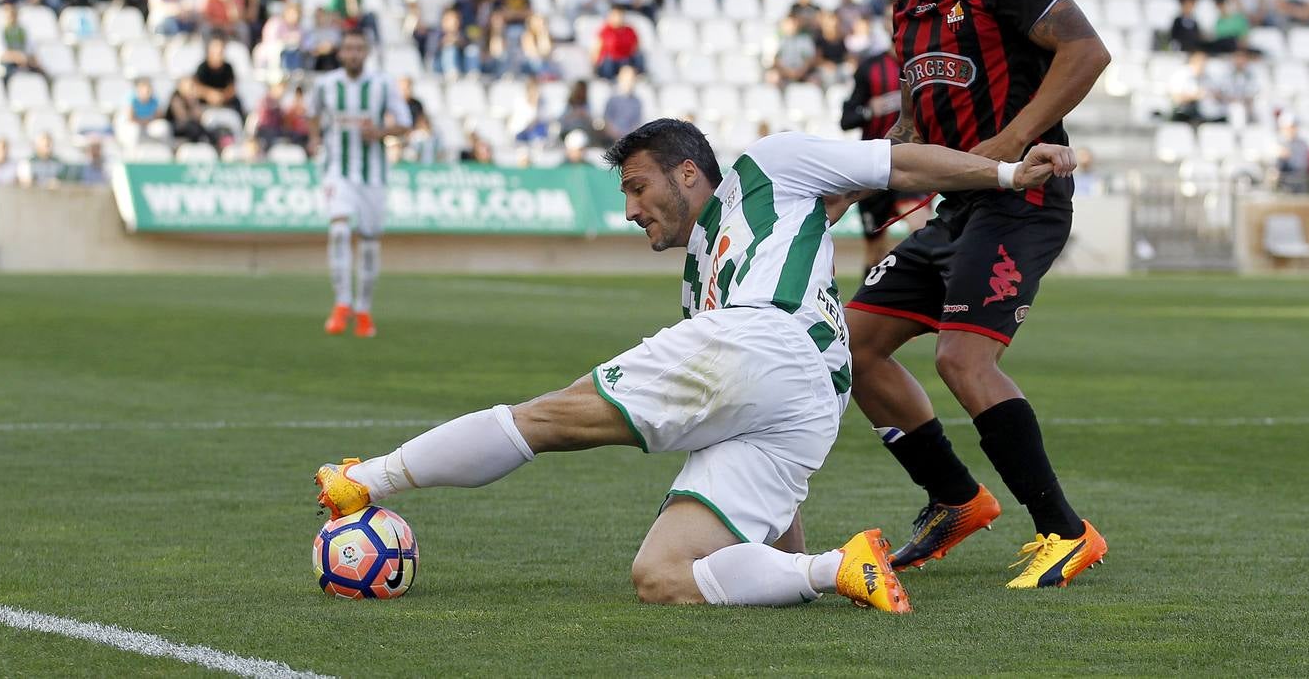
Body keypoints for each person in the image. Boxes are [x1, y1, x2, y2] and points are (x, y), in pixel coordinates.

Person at [316, 118, 1075, 609]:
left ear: (686, 172)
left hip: (766, 340)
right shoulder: (704, 274)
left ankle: (365, 477)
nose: (629, 209)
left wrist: (1007, 175)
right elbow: (743, 400)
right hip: (807, 396)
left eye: (636, 186)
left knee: (550, 416)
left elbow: (893, 162)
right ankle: (837, 569)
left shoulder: (771, 165)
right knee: (663, 577)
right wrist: (786, 549)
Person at [842, 0, 1111, 588]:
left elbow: (1087, 51)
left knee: (962, 359)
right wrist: (846, 181)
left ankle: (1065, 531)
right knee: (852, 346)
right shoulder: (908, 9)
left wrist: (1012, 138)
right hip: (958, 208)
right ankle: (956, 500)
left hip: (1020, 201)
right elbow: (911, 122)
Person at [308, 30, 413, 339]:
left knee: (368, 244)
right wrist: (315, 138)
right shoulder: (327, 85)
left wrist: (380, 132)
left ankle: (364, 310)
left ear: (365, 53)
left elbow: (405, 123)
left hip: (374, 176)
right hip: (337, 171)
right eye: (348, 48)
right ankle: (342, 303)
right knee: (339, 230)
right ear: (341, 53)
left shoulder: (382, 84)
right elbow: (312, 115)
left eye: (358, 49)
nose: (353, 54)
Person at [840, 42, 930, 275]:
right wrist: (869, 111)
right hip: (875, 166)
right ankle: (869, 305)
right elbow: (847, 119)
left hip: (912, 163)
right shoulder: (870, 68)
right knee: (874, 251)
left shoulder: (928, 64)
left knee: (921, 228)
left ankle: (920, 292)